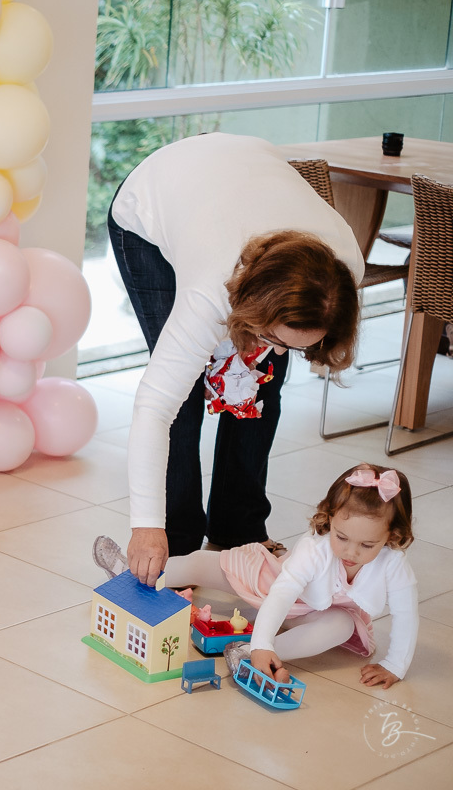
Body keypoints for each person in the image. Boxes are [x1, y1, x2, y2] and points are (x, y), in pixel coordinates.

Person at [106, 133, 364, 586]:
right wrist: (146, 525)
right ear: (254, 306)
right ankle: (177, 541)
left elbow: (278, 348)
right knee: (183, 394)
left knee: (262, 384)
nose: (278, 352)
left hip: (242, 178)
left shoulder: (343, 273)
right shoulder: (208, 291)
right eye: (272, 336)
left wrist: (272, 343)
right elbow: (155, 407)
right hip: (157, 198)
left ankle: (237, 527)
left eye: (295, 345)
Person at [94, 463, 419, 688]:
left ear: (392, 536)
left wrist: (395, 664)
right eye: (342, 537)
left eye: (367, 545)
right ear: (330, 519)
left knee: (341, 625)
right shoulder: (315, 548)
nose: (350, 552)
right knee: (202, 562)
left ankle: (247, 652)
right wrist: (264, 637)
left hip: (318, 613)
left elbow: (406, 615)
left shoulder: (394, 566)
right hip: (271, 583)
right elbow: (282, 593)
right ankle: (136, 572)